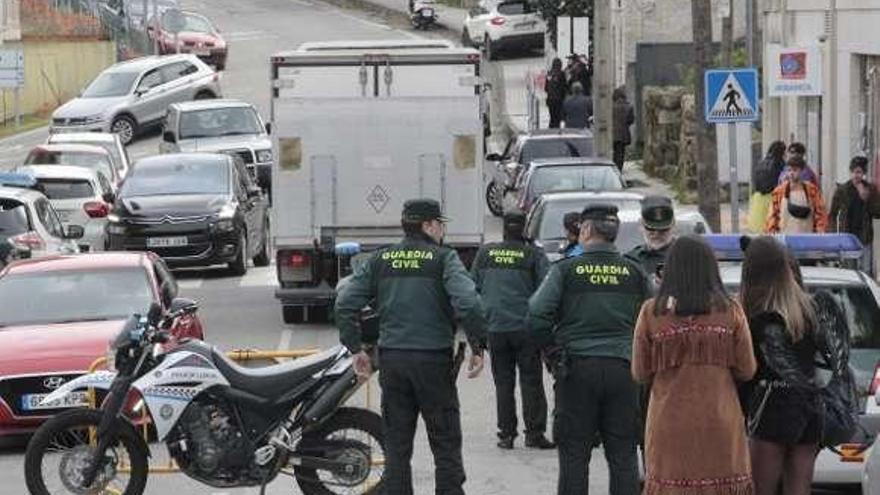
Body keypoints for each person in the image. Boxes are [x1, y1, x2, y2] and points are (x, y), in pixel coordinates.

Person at [334, 198, 488, 495]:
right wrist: (477, 346)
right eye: (440, 224)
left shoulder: (381, 259)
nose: (442, 230)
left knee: (397, 447)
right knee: (445, 444)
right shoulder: (444, 259)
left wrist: (357, 349)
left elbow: (344, 303)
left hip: (393, 362)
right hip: (433, 365)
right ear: (428, 225)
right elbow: (469, 303)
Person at [529, 204, 651, 495]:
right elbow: (653, 317)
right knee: (623, 456)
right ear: (614, 233)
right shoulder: (634, 272)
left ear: (584, 230)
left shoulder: (566, 270)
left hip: (576, 371)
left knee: (574, 456)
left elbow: (535, 314)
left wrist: (552, 352)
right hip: (624, 371)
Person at [632, 236, 757, 495]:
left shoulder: (651, 313)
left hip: (668, 424)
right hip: (720, 423)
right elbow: (747, 369)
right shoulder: (731, 310)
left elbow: (640, 372)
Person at [739, 236, 822, 495]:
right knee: (799, 490)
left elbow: (745, 372)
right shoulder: (810, 310)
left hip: (770, 411)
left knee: (761, 490)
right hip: (809, 409)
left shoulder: (754, 317)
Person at [471, 212, 554, 450]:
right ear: (525, 229)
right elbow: (546, 292)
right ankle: (534, 434)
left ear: (504, 229)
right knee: (531, 382)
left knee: (503, 383)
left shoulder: (486, 253)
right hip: (525, 328)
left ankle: (506, 435)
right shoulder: (533, 255)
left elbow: (472, 288)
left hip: (495, 327)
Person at [829, 156, 880, 272]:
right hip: (847, 237)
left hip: (864, 237)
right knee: (849, 270)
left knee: (865, 270)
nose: (856, 175)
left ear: (864, 174)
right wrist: (833, 235)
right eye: (853, 172)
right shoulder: (842, 190)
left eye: (859, 172)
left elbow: (877, 213)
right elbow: (833, 214)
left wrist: (866, 198)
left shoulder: (870, 189)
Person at [765, 156, 827, 234]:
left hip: (808, 240)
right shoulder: (779, 192)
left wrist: (820, 232)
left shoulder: (812, 191)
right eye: (789, 170)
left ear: (802, 171)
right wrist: (772, 231)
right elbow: (772, 215)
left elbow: (820, 213)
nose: (791, 173)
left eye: (795, 170)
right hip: (784, 240)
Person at [626, 195, 676, 286]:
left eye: (663, 230)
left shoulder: (687, 258)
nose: (656, 234)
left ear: (673, 225)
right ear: (641, 225)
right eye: (651, 229)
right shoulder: (631, 260)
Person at [748, 141, 787, 233]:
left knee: (759, 231)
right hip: (772, 198)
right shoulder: (780, 164)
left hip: (758, 200)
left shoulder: (761, 163)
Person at [612, 87, 635, 172]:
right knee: (621, 153)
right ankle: (619, 169)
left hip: (612, 134)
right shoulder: (629, 107)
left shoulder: (611, 106)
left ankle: (613, 168)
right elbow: (631, 120)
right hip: (623, 134)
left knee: (613, 152)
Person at [546, 58, 568, 129]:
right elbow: (564, 87)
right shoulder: (561, 74)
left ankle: (551, 128)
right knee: (558, 117)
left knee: (552, 117)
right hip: (559, 100)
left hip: (550, 100)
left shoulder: (549, 73)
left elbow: (546, 88)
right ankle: (557, 129)